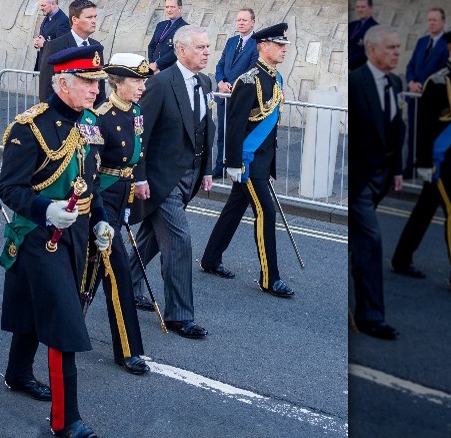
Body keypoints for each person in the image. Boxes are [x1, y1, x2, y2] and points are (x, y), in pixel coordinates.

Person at [0, 44, 110, 438]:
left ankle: (17, 373)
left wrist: (100, 221)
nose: (96, 90)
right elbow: (10, 188)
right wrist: (46, 209)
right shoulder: (30, 127)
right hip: (38, 236)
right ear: (62, 82)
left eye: (97, 82)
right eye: (87, 82)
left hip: (76, 235)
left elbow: (89, 181)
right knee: (64, 321)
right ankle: (67, 421)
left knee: (35, 305)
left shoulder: (89, 122)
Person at [129, 25, 213, 339]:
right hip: (161, 180)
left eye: (207, 47)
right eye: (200, 47)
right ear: (180, 50)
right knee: (179, 240)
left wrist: (205, 170)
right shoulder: (161, 83)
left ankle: (124, 279)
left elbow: (204, 129)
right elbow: (142, 135)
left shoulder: (204, 82)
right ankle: (180, 315)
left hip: (188, 177)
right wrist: (139, 177)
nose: (206, 52)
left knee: (152, 235)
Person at [199, 22, 295, 298]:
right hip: (248, 161)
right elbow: (235, 124)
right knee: (266, 212)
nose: (283, 50)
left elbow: (270, 125)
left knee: (234, 208)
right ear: (263, 47)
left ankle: (210, 258)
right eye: (279, 45)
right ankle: (269, 278)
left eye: (284, 46)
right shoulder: (248, 80)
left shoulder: (275, 79)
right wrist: (231, 163)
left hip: (262, 161)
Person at [391, 23, 451, 299]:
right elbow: (424, 127)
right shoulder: (439, 81)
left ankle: (400, 258)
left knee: (425, 207)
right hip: (438, 162)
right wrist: (423, 164)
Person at [84, 52, 152, 375]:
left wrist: (138, 182)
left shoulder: (136, 112)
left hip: (121, 197)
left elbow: (137, 152)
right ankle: (127, 350)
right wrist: (103, 213)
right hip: (101, 200)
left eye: (143, 81)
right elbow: (91, 173)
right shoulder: (101, 117)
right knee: (118, 270)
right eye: (136, 81)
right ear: (117, 82)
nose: (141, 87)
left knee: (90, 271)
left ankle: (66, 323)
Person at [349, 25, 405, 340]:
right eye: (391, 47)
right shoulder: (356, 83)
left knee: (361, 244)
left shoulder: (395, 82)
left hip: (380, 178)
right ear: (371, 50)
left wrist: (397, 170)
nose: (396, 52)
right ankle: (371, 316)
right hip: (358, 180)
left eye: (398, 47)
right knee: (371, 242)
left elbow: (396, 130)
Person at [211, 8, 259, 177]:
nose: (240, 23)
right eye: (238, 20)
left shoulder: (257, 44)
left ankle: (235, 166)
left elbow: (252, 70)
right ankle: (220, 167)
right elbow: (220, 65)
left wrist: (232, 86)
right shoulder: (231, 41)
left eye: (244, 20)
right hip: (223, 96)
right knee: (222, 134)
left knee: (237, 134)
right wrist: (220, 82)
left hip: (239, 97)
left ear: (252, 22)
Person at [403, 7, 448, 177]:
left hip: (431, 100)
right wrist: (411, 82)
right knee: (412, 133)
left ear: (443, 22)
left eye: (434, 20)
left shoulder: (447, 44)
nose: (431, 23)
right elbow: (411, 65)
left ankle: (428, 169)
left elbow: (444, 71)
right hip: (415, 98)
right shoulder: (422, 41)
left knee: (429, 136)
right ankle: (410, 167)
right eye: (429, 20)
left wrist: (425, 86)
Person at [38, 0, 104, 104]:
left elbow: (100, 88)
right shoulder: (55, 46)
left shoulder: (96, 47)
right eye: (89, 17)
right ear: (75, 19)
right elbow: (46, 88)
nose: (94, 21)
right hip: (65, 113)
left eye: (95, 17)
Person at [146, 0, 187, 73]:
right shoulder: (160, 25)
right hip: (154, 70)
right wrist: (152, 64)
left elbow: (176, 51)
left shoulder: (184, 27)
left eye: (172, 7)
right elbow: (151, 46)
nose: (169, 10)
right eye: (167, 7)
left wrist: (157, 64)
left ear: (180, 8)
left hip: (170, 71)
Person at [33, 0, 70, 71]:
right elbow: (45, 35)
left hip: (53, 68)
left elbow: (62, 46)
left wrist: (44, 44)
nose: (41, 8)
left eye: (43, 5)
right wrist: (38, 41)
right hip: (44, 65)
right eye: (40, 5)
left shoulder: (63, 21)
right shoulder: (48, 16)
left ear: (53, 3)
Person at [348, 0, 377, 71]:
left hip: (361, 71)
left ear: (370, 8)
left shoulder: (375, 28)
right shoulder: (351, 25)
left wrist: (347, 64)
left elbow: (366, 52)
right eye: (357, 7)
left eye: (363, 7)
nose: (359, 10)